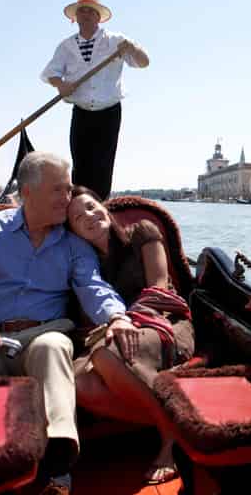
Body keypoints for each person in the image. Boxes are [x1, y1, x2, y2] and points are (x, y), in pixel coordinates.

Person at [0, 152, 141, 495]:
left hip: (38, 346)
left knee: (54, 344)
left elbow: (93, 287)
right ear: (27, 192)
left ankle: (58, 464)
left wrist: (117, 316)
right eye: (58, 190)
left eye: (68, 189)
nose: (67, 199)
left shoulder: (73, 246)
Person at [67, 186, 194, 484]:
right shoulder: (85, 264)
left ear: (103, 206)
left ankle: (170, 439)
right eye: (76, 217)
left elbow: (159, 286)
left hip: (164, 321)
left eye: (90, 206)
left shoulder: (142, 232)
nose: (87, 216)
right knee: (76, 381)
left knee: (103, 354)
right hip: (119, 330)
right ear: (73, 231)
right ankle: (179, 423)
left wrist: (126, 322)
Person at [41, 0, 149, 200]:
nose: (87, 14)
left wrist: (133, 48)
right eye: (82, 10)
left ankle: (100, 207)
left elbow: (144, 62)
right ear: (75, 18)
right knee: (80, 164)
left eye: (92, 11)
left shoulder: (117, 41)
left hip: (109, 111)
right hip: (81, 112)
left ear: (99, 17)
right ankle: (79, 207)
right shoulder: (66, 46)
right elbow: (50, 74)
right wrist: (60, 85)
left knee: (103, 165)